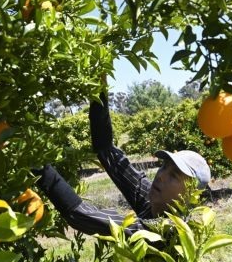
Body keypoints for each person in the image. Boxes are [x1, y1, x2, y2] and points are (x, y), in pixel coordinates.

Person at [35, 90, 211, 237]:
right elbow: (107, 151)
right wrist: (99, 88)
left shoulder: (163, 232)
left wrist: (34, 159)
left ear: (191, 195)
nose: (161, 176)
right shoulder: (156, 200)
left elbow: (80, 214)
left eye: (174, 176)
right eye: (164, 166)